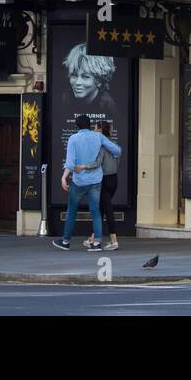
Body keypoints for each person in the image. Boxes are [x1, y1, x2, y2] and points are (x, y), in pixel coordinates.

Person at [52, 114, 121, 252]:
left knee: (72, 210)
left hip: (79, 181)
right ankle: (96, 244)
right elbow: (117, 150)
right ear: (90, 125)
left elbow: (70, 163)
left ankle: (65, 241)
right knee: (96, 211)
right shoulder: (98, 137)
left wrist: (64, 177)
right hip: (96, 181)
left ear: (77, 126)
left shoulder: (73, 139)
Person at [79, 121, 121, 252]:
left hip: (104, 180)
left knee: (107, 211)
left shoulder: (101, 146)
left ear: (101, 130)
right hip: (114, 179)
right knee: (102, 209)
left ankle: (114, 241)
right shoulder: (115, 146)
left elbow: (97, 163)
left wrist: (84, 166)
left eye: (96, 129)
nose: (94, 131)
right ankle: (92, 239)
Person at [64, 44, 118, 120]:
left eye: (86, 76)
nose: (77, 82)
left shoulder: (109, 107)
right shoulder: (65, 100)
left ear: (99, 80)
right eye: (74, 75)